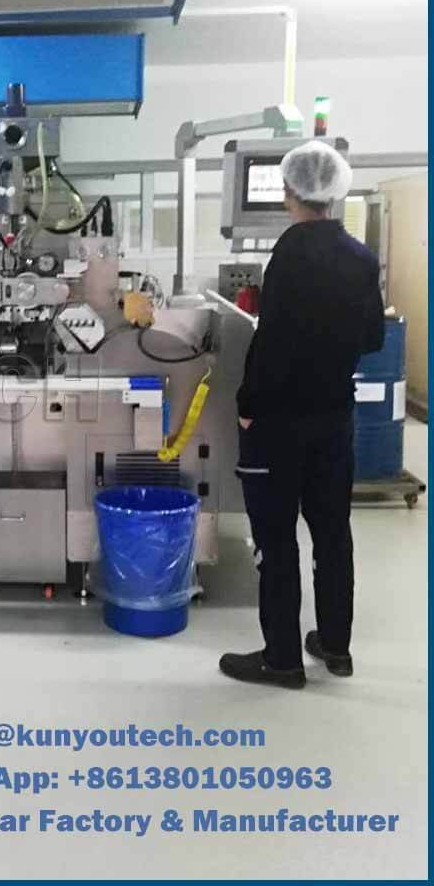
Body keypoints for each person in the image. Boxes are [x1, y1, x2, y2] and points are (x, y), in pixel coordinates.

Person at [219, 141, 385, 690]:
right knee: (332, 532)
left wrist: (248, 407)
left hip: (280, 422)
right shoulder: (361, 256)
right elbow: (372, 336)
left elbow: (273, 344)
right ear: (336, 192)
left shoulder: (290, 252)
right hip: (334, 416)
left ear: (288, 191)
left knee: (276, 538)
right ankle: (335, 645)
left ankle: (282, 659)